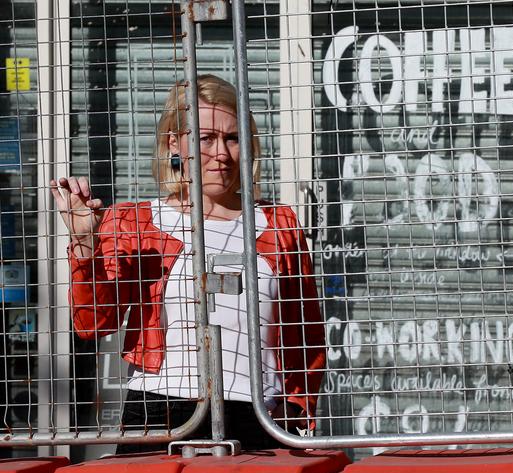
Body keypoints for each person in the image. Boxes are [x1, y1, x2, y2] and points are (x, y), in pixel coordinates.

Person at [50, 74, 325, 453]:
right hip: (162, 408)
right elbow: (92, 324)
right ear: (174, 143)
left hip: (259, 414)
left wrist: (300, 412)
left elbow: (305, 332)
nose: (222, 154)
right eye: (206, 138)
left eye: (232, 138)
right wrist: (84, 241)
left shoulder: (279, 222)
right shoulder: (135, 220)